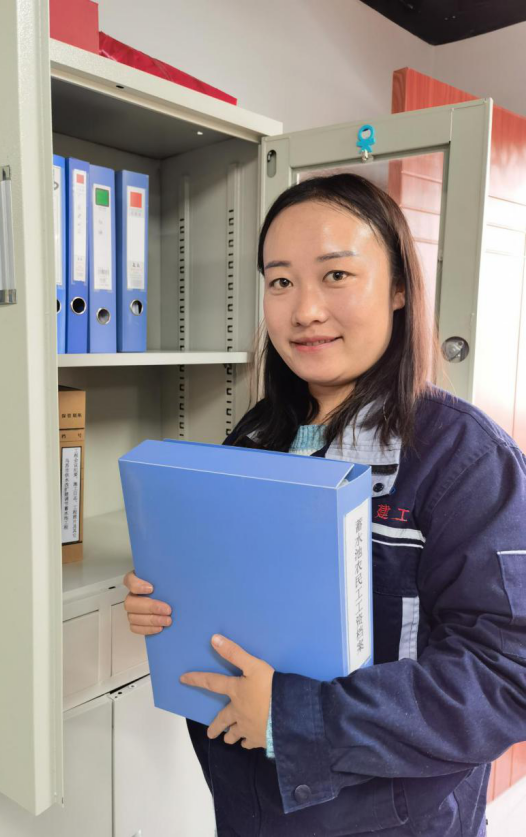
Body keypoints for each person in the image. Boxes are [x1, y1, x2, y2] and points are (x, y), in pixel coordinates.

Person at [123, 173, 526, 837]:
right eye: (280, 281)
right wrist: (168, 599)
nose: (304, 310)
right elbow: (236, 593)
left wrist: (295, 717)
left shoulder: (464, 460)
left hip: (391, 820)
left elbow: (505, 678)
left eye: (336, 275)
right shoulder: (258, 434)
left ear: (398, 288)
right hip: (250, 804)